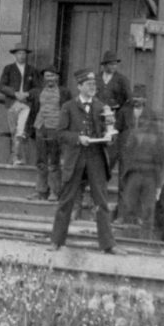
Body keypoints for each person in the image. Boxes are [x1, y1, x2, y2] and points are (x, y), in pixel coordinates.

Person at [50, 69, 121, 254]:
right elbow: (60, 133)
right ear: (79, 86)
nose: (92, 88)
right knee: (66, 200)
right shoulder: (68, 107)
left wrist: (110, 137)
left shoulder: (101, 107)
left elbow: (109, 132)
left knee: (102, 202)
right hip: (75, 158)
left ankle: (108, 245)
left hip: (96, 158)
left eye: (94, 85)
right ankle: (56, 241)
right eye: (88, 85)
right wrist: (77, 138)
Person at [117, 106, 164, 231]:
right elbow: (126, 153)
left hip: (150, 175)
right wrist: (126, 173)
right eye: (143, 120)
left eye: (149, 120)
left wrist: (159, 182)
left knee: (149, 206)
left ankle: (146, 232)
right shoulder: (134, 134)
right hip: (135, 172)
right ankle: (124, 228)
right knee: (128, 201)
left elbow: (162, 161)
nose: (146, 123)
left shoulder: (160, 139)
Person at [28, 66, 71, 200]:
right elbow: (33, 110)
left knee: (54, 162)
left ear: (57, 77)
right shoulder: (37, 92)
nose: (50, 79)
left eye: (53, 76)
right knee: (41, 161)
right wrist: (29, 129)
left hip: (55, 128)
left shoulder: (64, 92)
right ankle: (41, 191)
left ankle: (55, 191)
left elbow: (69, 111)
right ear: (44, 78)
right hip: (40, 127)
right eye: (47, 76)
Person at [0, 42, 38, 165]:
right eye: (19, 53)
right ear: (15, 55)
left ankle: (17, 157)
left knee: (21, 131)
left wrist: (27, 94)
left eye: (24, 53)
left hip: (26, 104)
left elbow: (37, 88)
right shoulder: (8, 69)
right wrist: (15, 94)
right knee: (14, 131)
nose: (22, 56)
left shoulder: (32, 70)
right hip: (12, 103)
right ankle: (16, 157)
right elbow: (1, 86)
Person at [95, 51, 132, 175]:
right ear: (104, 65)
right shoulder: (96, 78)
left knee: (110, 148)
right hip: (97, 117)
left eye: (115, 64)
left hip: (114, 118)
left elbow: (129, 100)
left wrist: (120, 111)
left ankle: (105, 174)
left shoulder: (121, 80)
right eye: (111, 64)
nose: (113, 67)